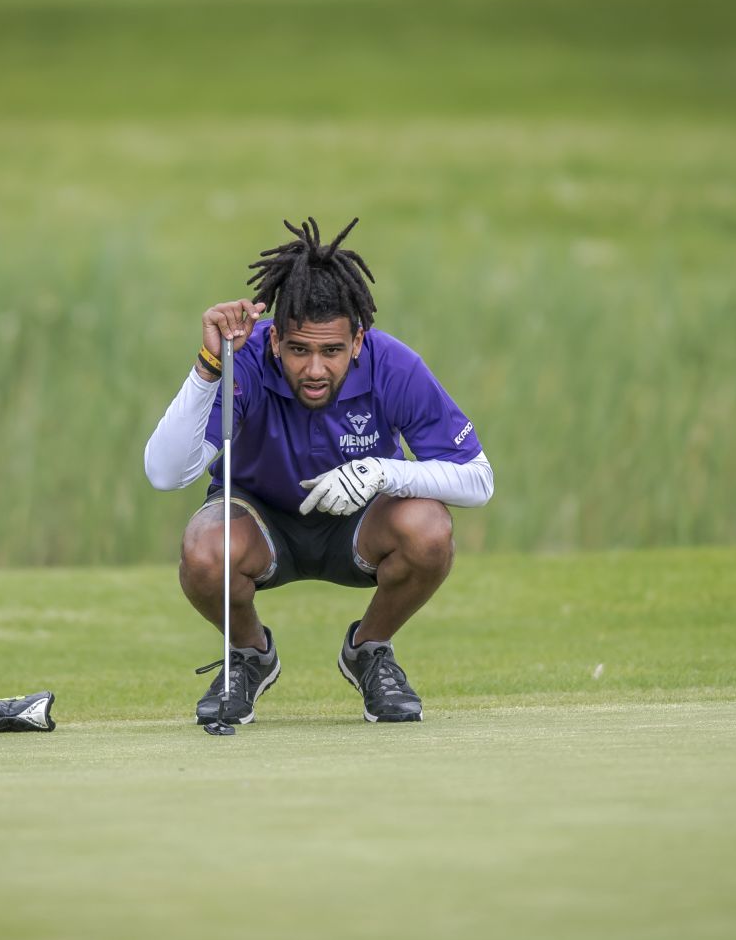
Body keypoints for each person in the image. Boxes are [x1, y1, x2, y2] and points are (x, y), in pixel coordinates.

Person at [144, 217, 493, 725]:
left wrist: (382, 473)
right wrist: (208, 367)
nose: (314, 369)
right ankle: (249, 655)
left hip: (361, 523)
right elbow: (165, 473)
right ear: (274, 340)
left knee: (430, 529)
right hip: (258, 522)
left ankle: (369, 650)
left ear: (358, 341)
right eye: (298, 349)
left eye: (331, 351)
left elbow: (479, 479)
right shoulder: (244, 361)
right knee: (203, 550)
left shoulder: (394, 366)